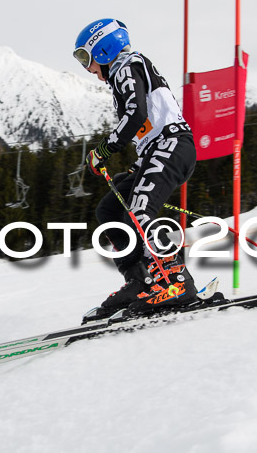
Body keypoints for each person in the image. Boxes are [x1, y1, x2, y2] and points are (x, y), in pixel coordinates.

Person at [74, 19, 199, 319]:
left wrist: (104, 149)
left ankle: (177, 282)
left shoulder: (128, 66)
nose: (88, 69)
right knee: (110, 210)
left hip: (173, 145)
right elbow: (145, 124)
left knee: (139, 210)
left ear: (104, 50)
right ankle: (139, 279)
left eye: (86, 58)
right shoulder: (123, 73)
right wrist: (135, 168)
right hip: (157, 149)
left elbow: (136, 114)